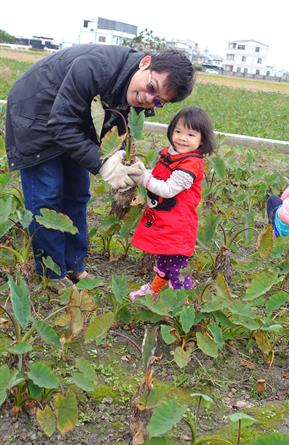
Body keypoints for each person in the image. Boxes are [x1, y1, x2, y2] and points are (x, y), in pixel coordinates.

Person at [5, 44, 195, 284]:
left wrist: (124, 160)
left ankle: (74, 265)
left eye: (158, 101)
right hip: (34, 113)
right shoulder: (96, 67)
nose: (148, 99)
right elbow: (60, 124)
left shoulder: (136, 91)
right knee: (47, 196)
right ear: (145, 62)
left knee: (77, 193)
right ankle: (51, 274)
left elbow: (114, 128)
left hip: (71, 122)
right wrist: (103, 163)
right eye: (151, 88)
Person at [129, 105, 216, 300]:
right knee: (164, 263)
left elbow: (168, 190)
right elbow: (157, 175)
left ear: (203, 139)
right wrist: (141, 170)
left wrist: (143, 177)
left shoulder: (191, 164)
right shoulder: (171, 154)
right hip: (165, 220)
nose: (182, 138)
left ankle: (183, 302)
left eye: (191, 134)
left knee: (177, 268)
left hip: (178, 225)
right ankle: (156, 292)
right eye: (178, 131)